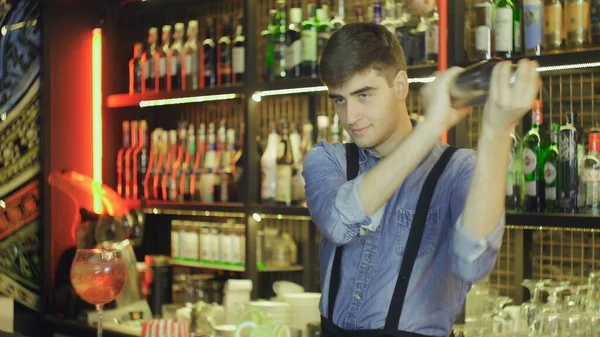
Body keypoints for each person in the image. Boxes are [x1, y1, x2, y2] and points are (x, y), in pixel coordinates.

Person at [302, 22, 541, 337]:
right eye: (340, 100)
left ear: (400, 85)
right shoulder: (327, 159)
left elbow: (473, 263)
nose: (350, 116)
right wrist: (432, 126)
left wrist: (496, 131)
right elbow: (338, 221)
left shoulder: (458, 170)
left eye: (364, 95)